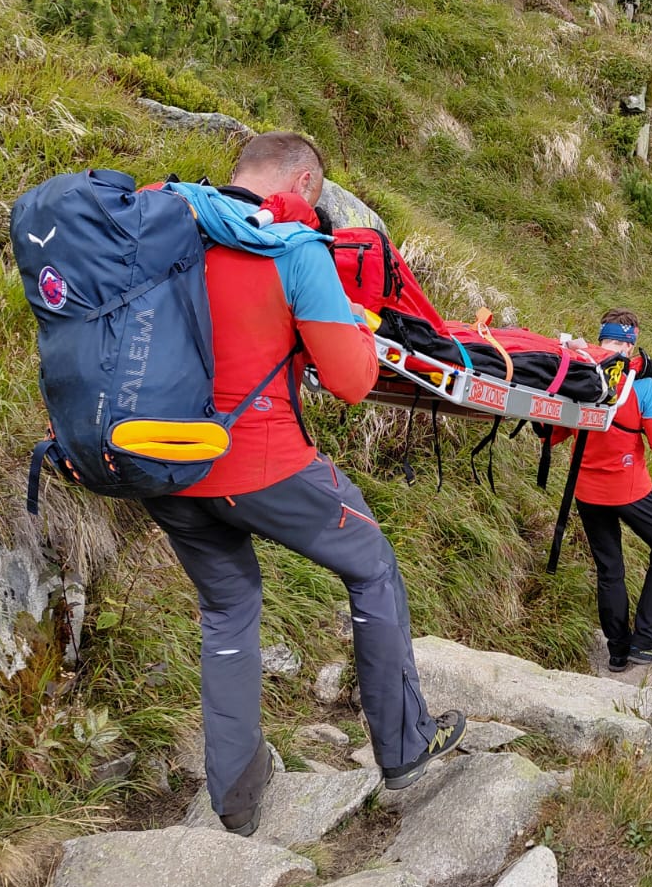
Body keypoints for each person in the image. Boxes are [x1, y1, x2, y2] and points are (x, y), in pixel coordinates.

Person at [141, 131, 465, 836]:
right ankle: (406, 747)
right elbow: (351, 383)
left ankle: (236, 801)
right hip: (259, 463)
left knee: (229, 610)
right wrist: (343, 325)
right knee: (373, 565)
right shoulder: (292, 247)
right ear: (306, 181)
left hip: (159, 463)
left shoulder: (164, 219)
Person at [549, 310, 652, 672]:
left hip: (586, 491)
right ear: (631, 343)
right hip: (630, 489)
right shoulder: (641, 384)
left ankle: (618, 652)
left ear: (600, 339)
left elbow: (553, 434)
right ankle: (645, 641)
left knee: (610, 569)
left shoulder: (579, 375)